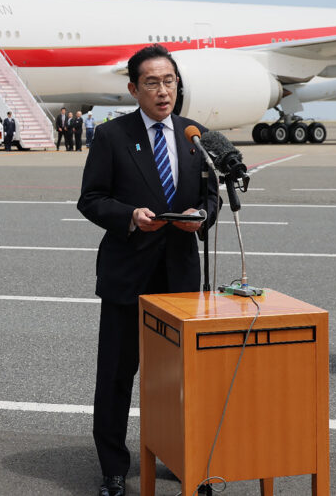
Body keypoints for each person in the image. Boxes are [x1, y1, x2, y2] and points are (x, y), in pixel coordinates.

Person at [78, 44, 220, 496]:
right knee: (118, 375)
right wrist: (129, 216)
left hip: (179, 277)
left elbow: (211, 195)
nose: (164, 91)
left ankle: (179, 458)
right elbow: (92, 199)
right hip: (127, 275)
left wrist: (203, 215)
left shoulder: (194, 134)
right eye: (153, 83)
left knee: (179, 379)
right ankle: (114, 469)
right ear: (133, 89)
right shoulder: (112, 136)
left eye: (170, 81)